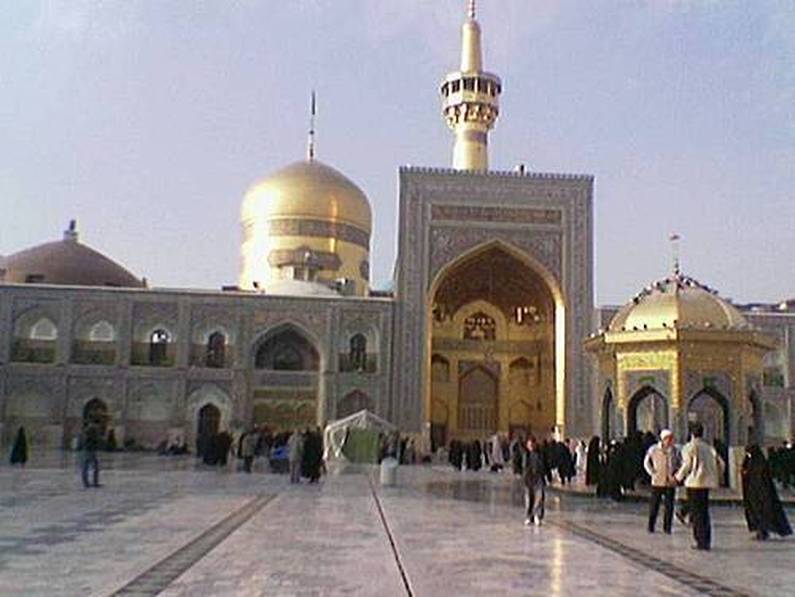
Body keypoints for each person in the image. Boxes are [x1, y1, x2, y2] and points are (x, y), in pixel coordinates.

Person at [675, 422, 725, 550]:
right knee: (704, 512)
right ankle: (706, 539)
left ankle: (700, 541)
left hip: (694, 482)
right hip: (707, 483)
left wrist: (677, 477)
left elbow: (687, 465)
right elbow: (721, 463)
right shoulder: (709, 447)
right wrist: (717, 476)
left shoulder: (689, 447)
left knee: (696, 513)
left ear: (691, 433)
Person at [741, 444, 792, 541]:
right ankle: (760, 530)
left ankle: (763, 531)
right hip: (753, 493)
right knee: (756, 512)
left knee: (762, 512)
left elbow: (761, 479)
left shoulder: (760, 463)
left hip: (762, 494)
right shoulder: (751, 461)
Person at [643, 429, 681, 534]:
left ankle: (667, 527)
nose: (670, 441)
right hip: (658, 481)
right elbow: (646, 462)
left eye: (671, 439)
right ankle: (651, 525)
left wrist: (676, 475)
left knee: (669, 506)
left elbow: (680, 463)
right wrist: (652, 472)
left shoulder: (675, 450)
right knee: (654, 504)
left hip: (670, 481)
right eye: (668, 439)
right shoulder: (654, 449)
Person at [522, 436, 546, 527]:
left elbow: (545, 464)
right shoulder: (525, 454)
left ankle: (537, 516)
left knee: (539, 498)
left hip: (538, 478)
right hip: (528, 479)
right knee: (529, 499)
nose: (531, 447)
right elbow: (520, 464)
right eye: (529, 445)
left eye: (532, 445)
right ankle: (529, 516)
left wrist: (547, 475)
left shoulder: (540, 453)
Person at [81, 421, 102, 488]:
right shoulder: (92, 429)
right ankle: (93, 482)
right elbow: (94, 439)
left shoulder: (88, 429)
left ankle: (86, 482)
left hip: (88, 449)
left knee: (87, 466)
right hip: (91, 450)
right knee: (93, 466)